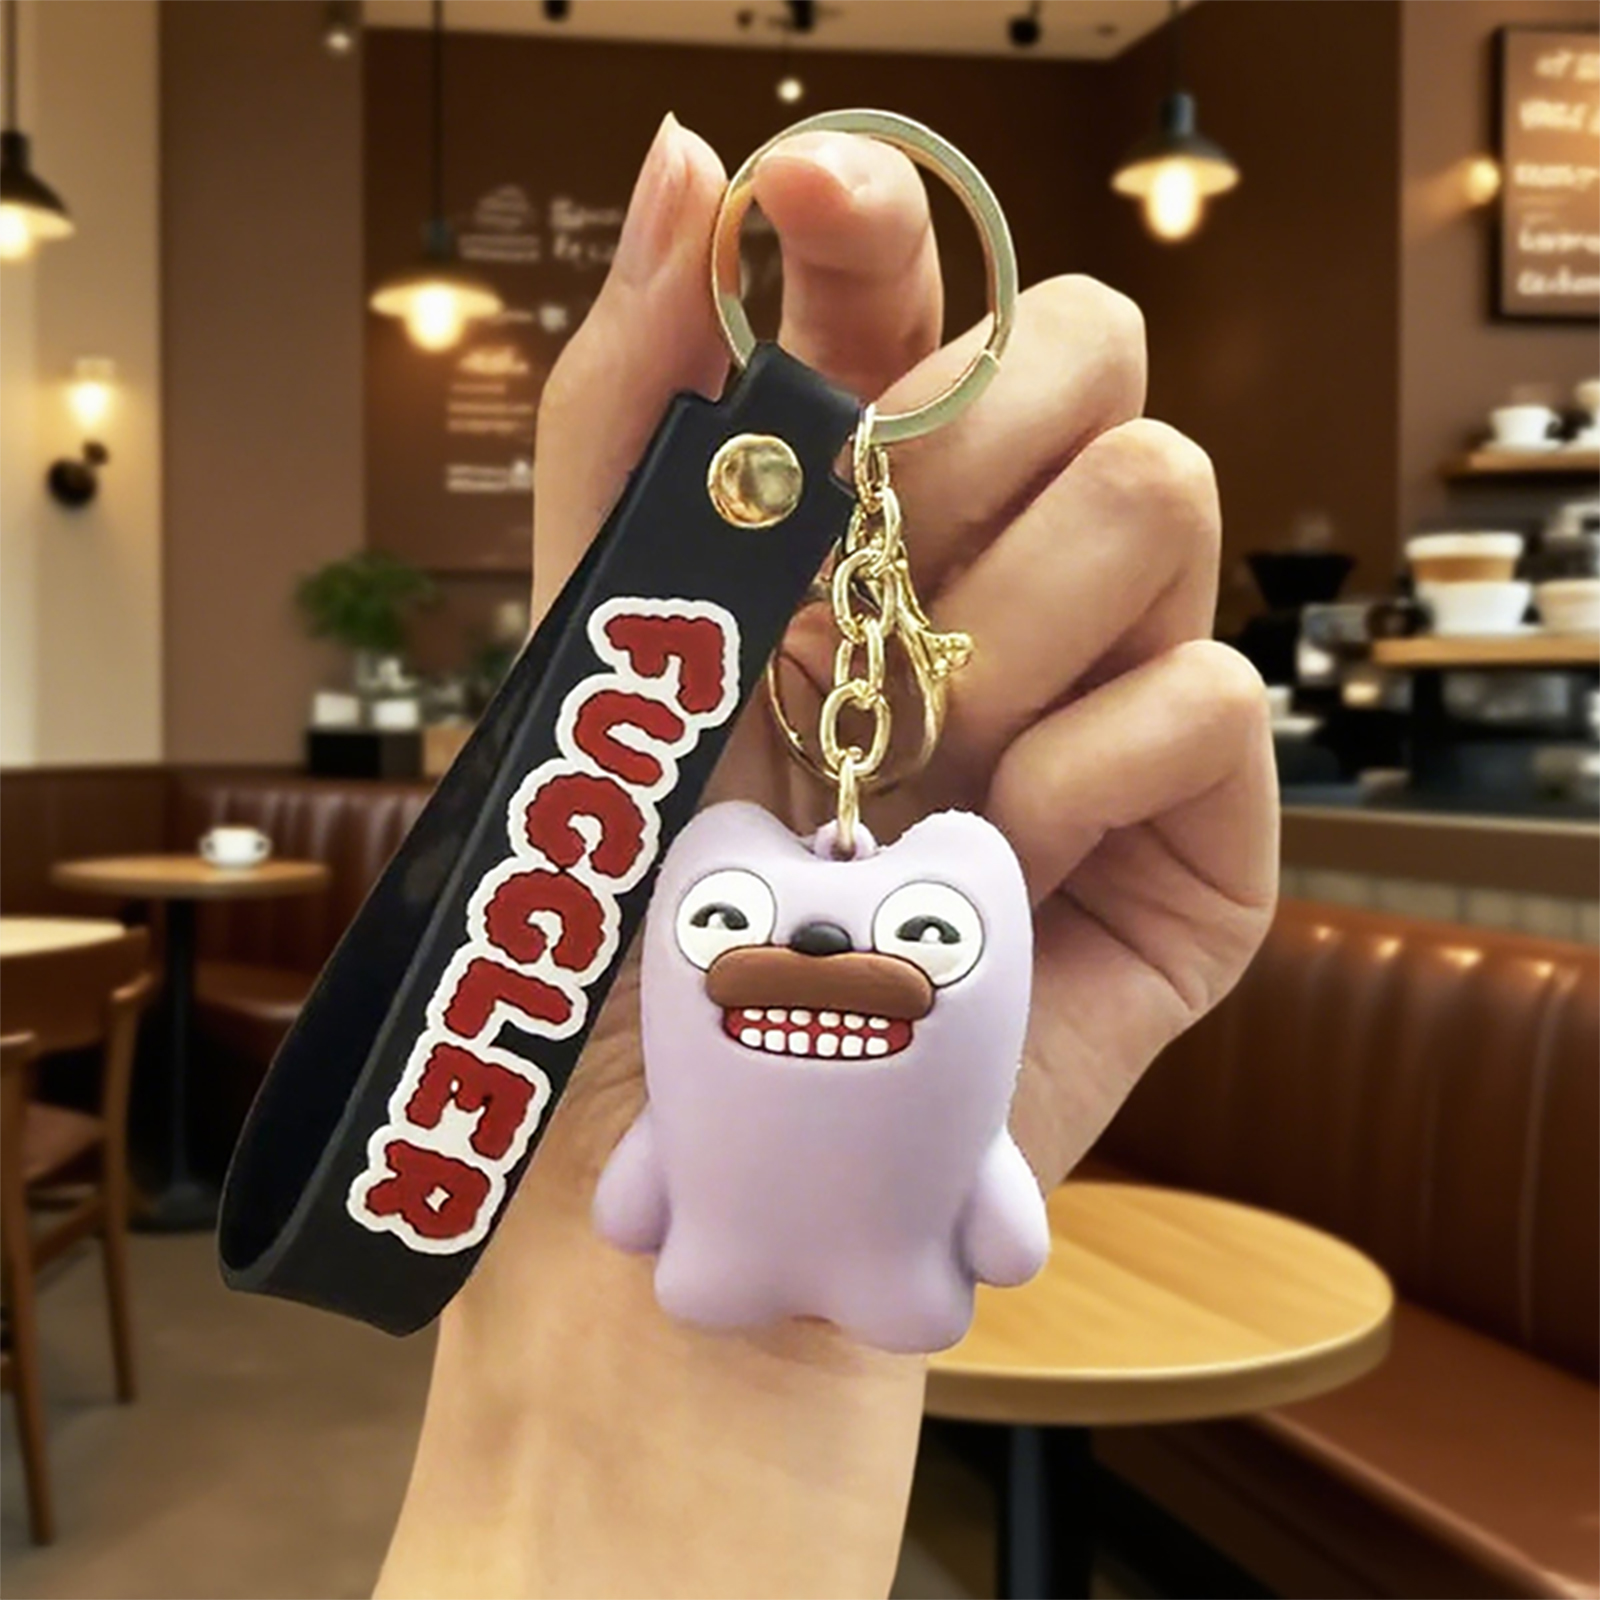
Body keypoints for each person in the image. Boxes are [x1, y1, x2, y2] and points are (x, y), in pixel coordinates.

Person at [379, 116, 1276, 1599]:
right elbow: (689, 1186)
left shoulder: (878, 887)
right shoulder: (696, 878)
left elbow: (979, 1200)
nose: (802, 954)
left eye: (932, 938)